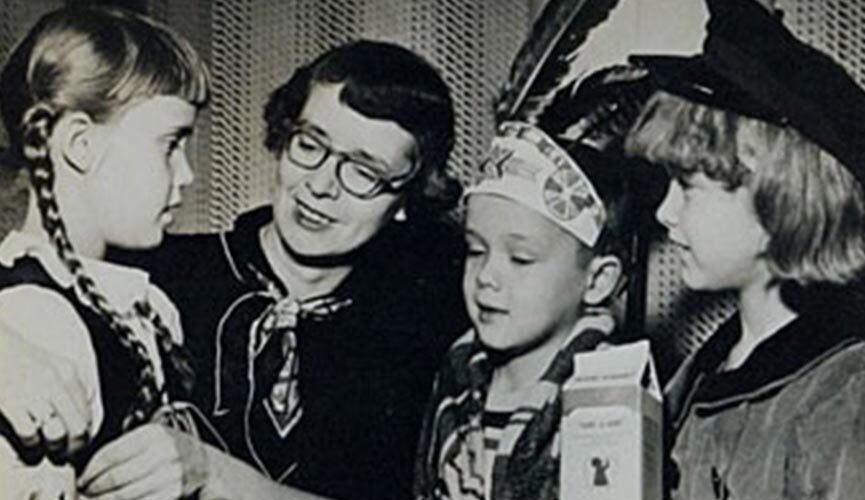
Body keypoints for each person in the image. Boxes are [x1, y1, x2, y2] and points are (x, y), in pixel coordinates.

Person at [108, 40, 468, 500]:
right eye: (310, 144)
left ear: (407, 198)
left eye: (363, 171)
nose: (319, 185)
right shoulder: (157, 273)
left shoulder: (433, 326)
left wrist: (216, 476)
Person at [625, 0, 865, 498]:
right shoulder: (698, 376)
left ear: (781, 197)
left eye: (687, 186)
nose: (664, 212)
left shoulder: (843, 395)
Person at [0, 5, 210, 499]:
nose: (187, 175)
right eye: (170, 144)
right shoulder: (36, 323)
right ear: (80, 144)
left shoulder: (145, 302)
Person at [413, 115, 637, 500]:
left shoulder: (610, 396)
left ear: (597, 281)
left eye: (520, 258)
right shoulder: (455, 377)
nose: (487, 276)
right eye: (475, 250)